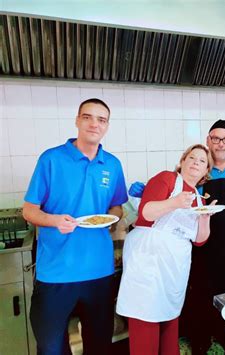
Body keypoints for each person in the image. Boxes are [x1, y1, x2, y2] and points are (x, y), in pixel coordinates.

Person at [128, 119, 225, 352]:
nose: (220, 144)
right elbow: (148, 212)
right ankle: (200, 339)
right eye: (215, 139)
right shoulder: (172, 180)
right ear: (208, 141)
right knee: (194, 299)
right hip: (195, 256)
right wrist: (170, 200)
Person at [22, 98, 128, 354]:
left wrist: (111, 220)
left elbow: (117, 207)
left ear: (107, 125)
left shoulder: (112, 165)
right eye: (88, 117)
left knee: (100, 345)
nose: (94, 124)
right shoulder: (52, 159)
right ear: (77, 120)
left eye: (101, 119)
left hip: (99, 272)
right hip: (57, 273)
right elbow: (29, 211)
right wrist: (54, 220)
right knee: (51, 347)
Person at [116, 144, 215, 355]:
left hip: (174, 268)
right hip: (149, 263)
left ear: (207, 171)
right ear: (182, 161)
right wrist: (175, 202)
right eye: (192, 158)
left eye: (202, 161)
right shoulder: (167, 179)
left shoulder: (198, 197)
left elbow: (199, 240)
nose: (196, 162)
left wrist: (205, 217)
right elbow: (146, 212)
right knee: (146, 320)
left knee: (170, 320)